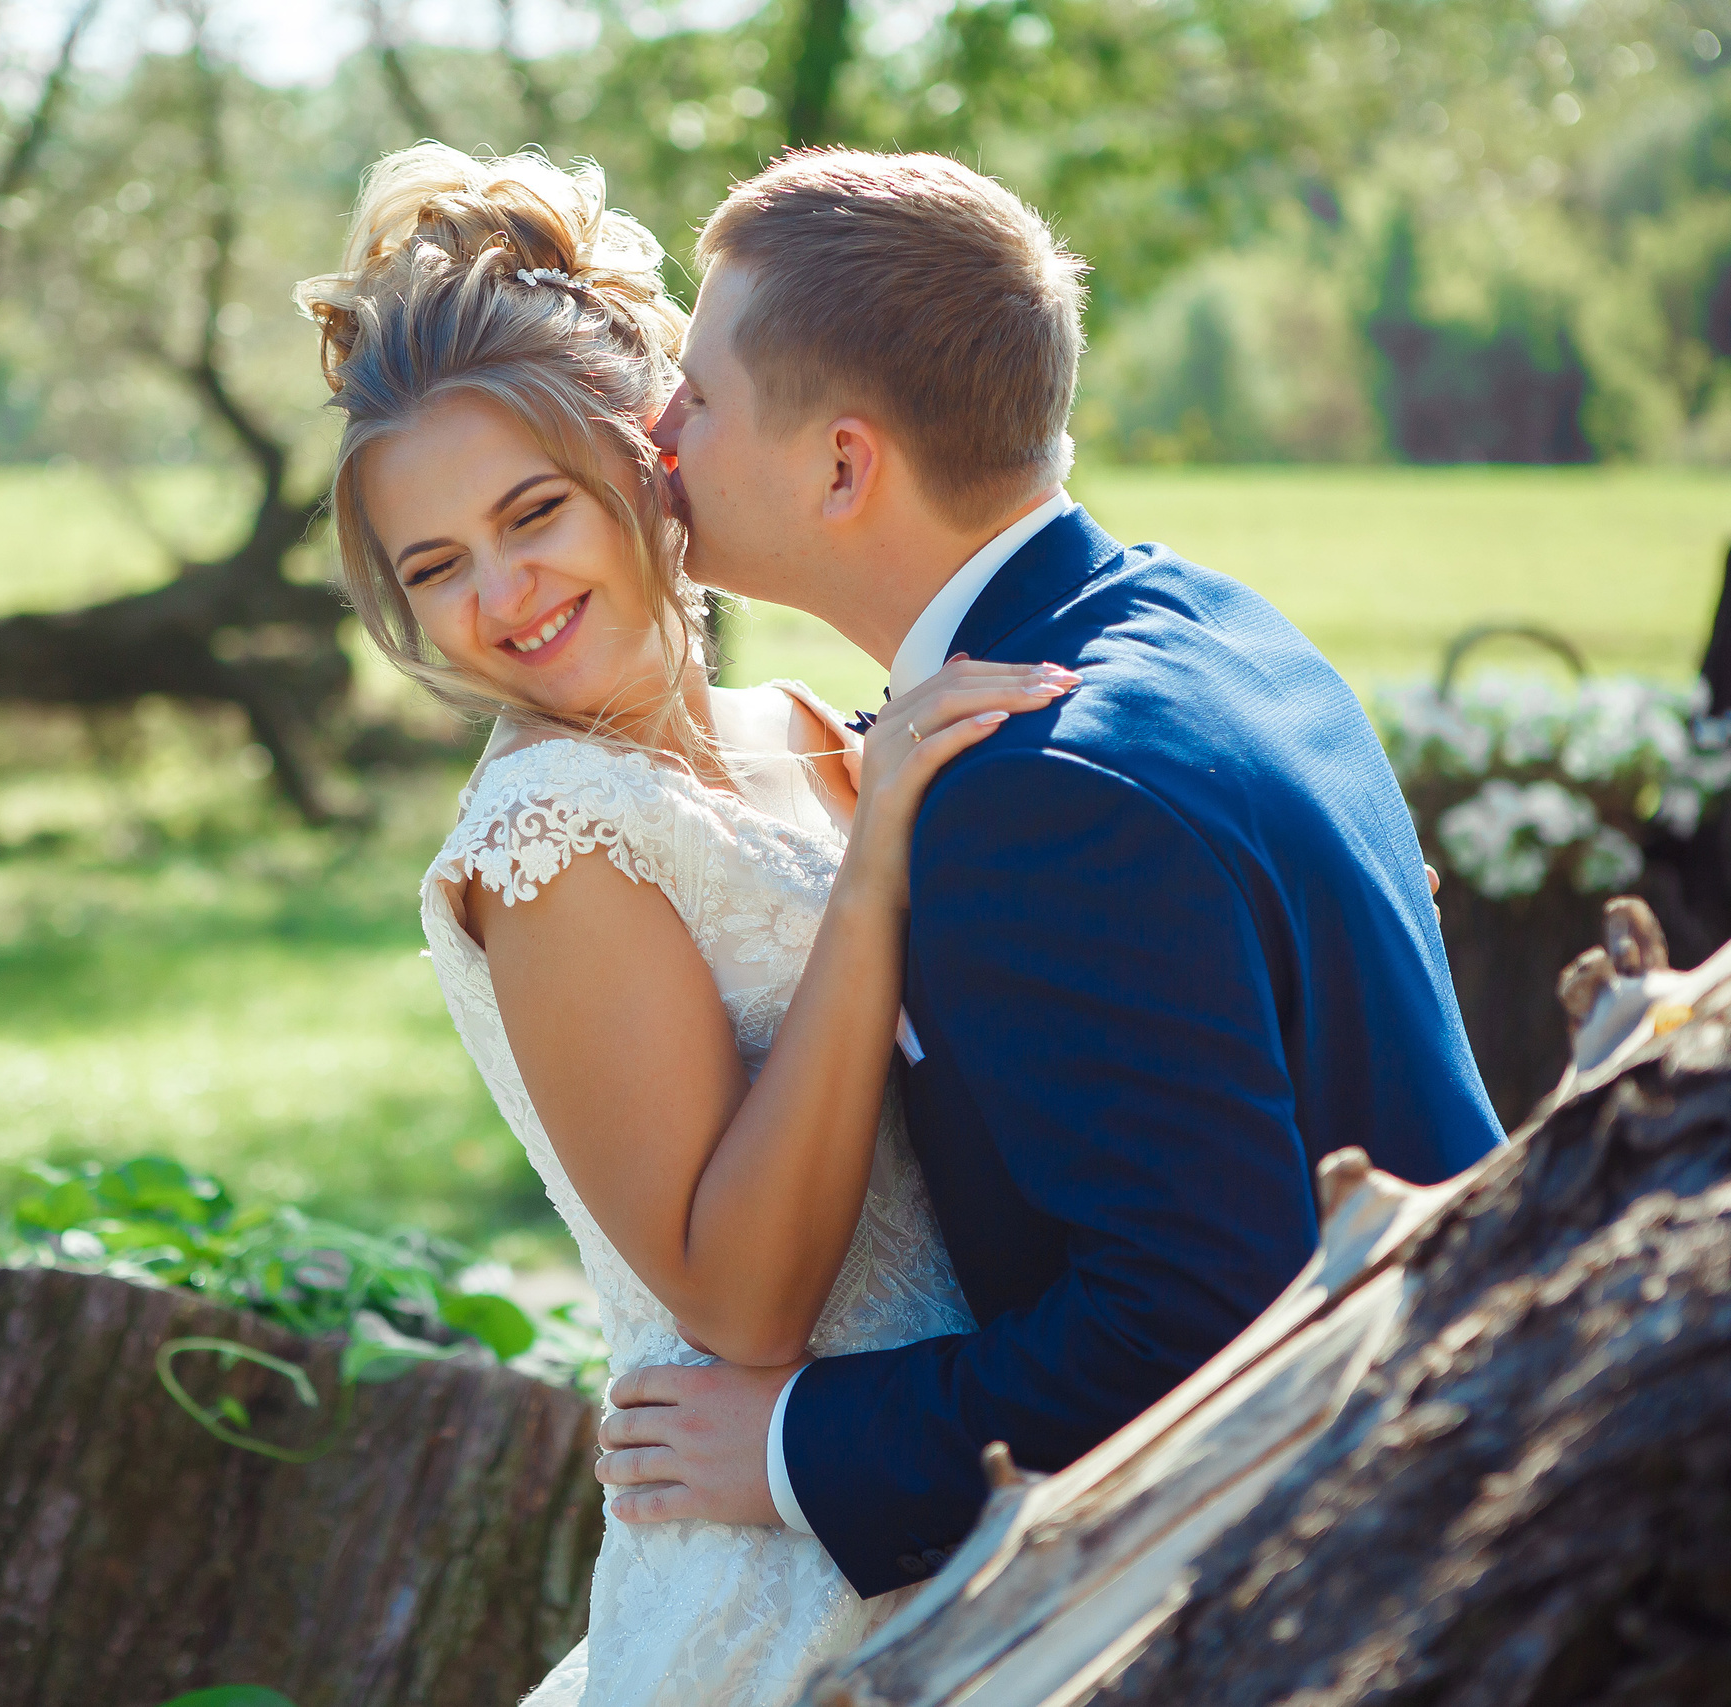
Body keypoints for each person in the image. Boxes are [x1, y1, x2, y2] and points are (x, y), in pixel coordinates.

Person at [598, 148, 1506, 1600]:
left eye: (697, 397)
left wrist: (794, 1443)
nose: (655, 431)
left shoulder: (1038, 795)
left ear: (843, 465)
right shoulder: (1212, 618)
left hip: (1384, 1558)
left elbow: (1195, 1324)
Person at [294, 144, 1072, 1704]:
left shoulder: (812, 726)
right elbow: (741, 1303)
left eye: (535, 512)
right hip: (791, 1578)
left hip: (983, 1473)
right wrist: (874, 877)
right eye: (436, 567)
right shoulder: (551, 836)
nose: (503, 593)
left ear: (650, 453)